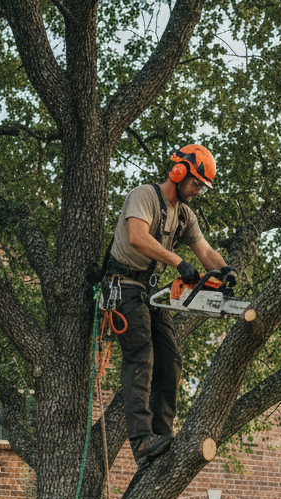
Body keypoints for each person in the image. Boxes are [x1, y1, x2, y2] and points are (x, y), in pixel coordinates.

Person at [102, 144, 236, 467]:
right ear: (179, 172)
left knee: (171, 360)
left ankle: (161, 435)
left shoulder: (185, 216)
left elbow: (205, 251)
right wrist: (178, 263)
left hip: (150, 292)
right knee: (141, 355)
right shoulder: (144, 196)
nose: (197, 191)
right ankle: (141, 438)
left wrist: (224, 271)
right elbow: (137, 236)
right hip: (121, 286)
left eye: (203, 187)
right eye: (196, 184)